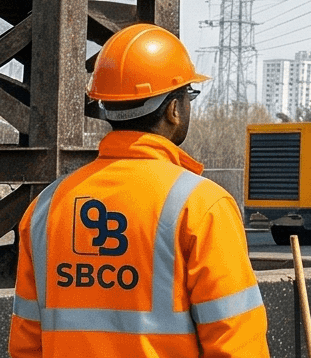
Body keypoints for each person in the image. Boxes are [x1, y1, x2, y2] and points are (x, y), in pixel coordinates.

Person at [10, 23, 266, 357]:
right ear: (174, 110)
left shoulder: (47, 206)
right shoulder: (201, 207)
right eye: (188, 96)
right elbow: (237, 343)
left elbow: (26, 343)